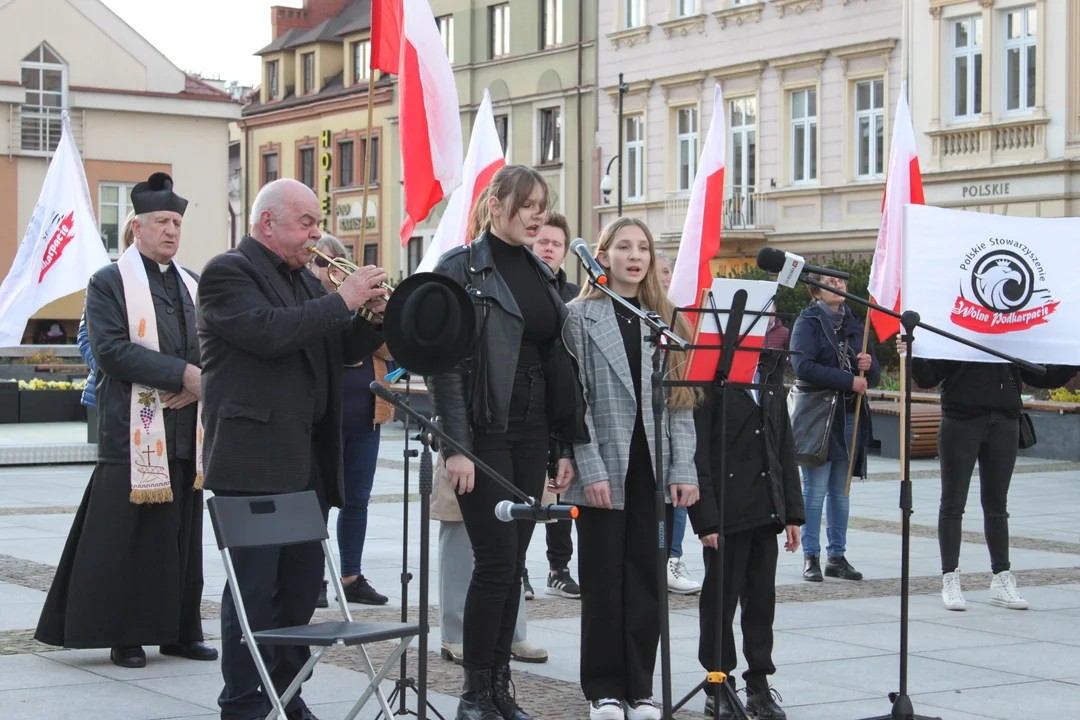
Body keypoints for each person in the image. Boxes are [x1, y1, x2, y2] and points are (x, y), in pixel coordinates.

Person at [198, 178, 388, 720]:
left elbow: (337, 348)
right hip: (254, 459)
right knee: (254, 591)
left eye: (315, 222)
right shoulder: (227, 272)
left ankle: (287, 695)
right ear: (267, 223)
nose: (315, 233)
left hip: (306, 461)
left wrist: (368, 315)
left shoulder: (304, 278)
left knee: (299, 593)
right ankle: (243, 702)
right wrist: (343, 299)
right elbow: (270, 333)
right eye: (305, 222)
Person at [36, 173, 215, 670]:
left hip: (185, 432)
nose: (171, 231)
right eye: (161, 221)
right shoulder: (108, 281)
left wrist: (195, 380)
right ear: (136, 227)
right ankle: (127, 634)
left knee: (183, 539)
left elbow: (210, 346)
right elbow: (112, 352)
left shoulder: (192, 282)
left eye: (177, 222)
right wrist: (183, 375)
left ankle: (181, 630)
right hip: (131, 432)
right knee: (131, 540)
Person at [428, 164, 588, 720]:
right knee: (494, 564)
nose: (536, 216)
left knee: (512, 563)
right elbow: (444, 366)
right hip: (483, 432)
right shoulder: (461, 267)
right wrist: (455, 446)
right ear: (495, 204)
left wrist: (563, 445)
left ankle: (500, 688)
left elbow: (558, 360)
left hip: (532, 429)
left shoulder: (543, 272)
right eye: (527, 205)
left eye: (542, 206)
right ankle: (475, 693)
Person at [563, 217, 699, 720]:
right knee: (602, 577)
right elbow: (575, 403)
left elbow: (682, 403)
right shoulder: (578, 316)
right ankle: (603, 687)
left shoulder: (664, 320)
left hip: (653, 468)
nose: (635, 256)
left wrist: (684, 467)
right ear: (603, 255)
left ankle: (640, 685)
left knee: (646, 577)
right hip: (605, 464)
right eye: (624, 247)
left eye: (642, 248)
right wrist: (589, 467)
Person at [898, 340, 1078, 611]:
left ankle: (1002, 578)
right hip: (960, 421)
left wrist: (1072, 354)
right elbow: (927, 377)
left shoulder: (1010, 333)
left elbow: (1043, 375)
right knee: (953, 502)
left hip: (1004, 421)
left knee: (997, 506)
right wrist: (910, 353)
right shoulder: (957, 332)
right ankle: (950, 577)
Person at [689, 348, 804, 720]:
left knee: (760, 602)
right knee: (720, 602)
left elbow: (783, 446)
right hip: (726, 512)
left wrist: (792, 513)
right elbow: (698, 452)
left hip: (765, 509)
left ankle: (759, 685)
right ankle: (717, 683)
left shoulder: (768, 375)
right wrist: (705, 518)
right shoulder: (711, 373)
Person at [307, 234, 391, 609]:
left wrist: (376, 313)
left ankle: (352, 576)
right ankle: (314, 578)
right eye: (322, 263)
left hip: (365, 416)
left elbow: (389, 347)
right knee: (318, 502)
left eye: (336, 261)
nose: (329, 269)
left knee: (357, 500)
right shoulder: (310, 303)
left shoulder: (357, 305)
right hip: (325, 418)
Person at [790, 272, 880, 583]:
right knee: (814, 491)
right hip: (819, 417)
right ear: (816, 291)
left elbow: (871, 376)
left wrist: (870, 368)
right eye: (831, 282)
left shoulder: (854, 322)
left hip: (849, 415)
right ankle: (811, 555)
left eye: (842, 282)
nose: (839, 286)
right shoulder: (809, 322)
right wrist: (848, 380)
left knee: (841, 493)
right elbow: (804, 366)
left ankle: (837, 556)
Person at [529, 210, 582, 600]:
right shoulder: (520, 288)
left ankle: (558, 568)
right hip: (527, 408)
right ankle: (516, 569)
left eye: (556, 244)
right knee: (525, 495)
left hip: (563, 410)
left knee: (560, 495)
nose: (548, 248)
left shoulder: (576, 296)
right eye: (543, 241)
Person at [652, 248, 701, 596]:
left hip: (672, 430)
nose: (665, 278)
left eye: (668, 271)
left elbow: (683, 399)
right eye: (660, 271)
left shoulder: (677, 321)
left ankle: (673, 557)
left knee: (677, 492)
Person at [78, 212, 136, 412]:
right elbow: (86, 338)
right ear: (132, 234)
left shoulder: (179, 281)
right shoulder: (105, 282)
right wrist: (110, 371)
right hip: (109, 393)